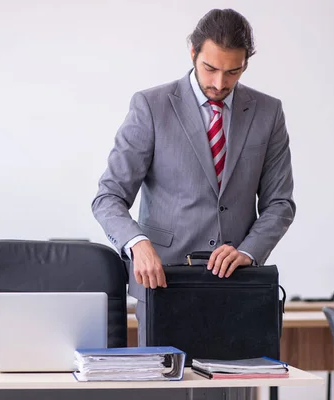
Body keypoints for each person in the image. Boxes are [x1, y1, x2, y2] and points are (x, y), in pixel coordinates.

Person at [92, 8, 296, 346]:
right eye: (210, 68)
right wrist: (136, 243)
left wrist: (248, 251)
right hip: (164, 283)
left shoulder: (268, 112)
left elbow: (280, 203)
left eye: (233, 72)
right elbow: (108, 197)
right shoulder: (151, 106)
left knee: (235, 394)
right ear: (193, 53)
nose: (219, 83)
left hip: (237, 284)